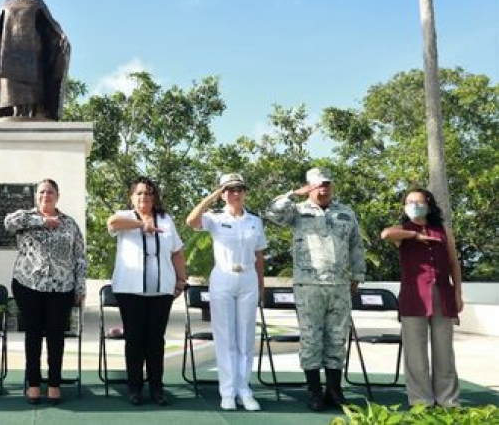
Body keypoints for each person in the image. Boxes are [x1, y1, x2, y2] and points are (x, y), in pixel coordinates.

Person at [264, 167, 365, 411]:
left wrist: (358, 275)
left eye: (327, 183)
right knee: (311, 337)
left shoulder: (345, 212)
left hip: (339, 284)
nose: (324, 188)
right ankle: (314, 391)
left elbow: (356, 245)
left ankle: (334, 389)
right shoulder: (297, 211)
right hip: (308, 284)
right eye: (318, 184)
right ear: (309, 186)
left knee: (337, 337)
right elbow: (270, 213)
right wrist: (292, 194)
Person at [185, 173, 266, 411]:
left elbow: (259, 254)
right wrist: (212, 195)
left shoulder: (254, 221)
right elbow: (191, 221)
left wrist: (260, 285)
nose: (236, 193)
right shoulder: (215, 218)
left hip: (248, 278)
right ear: (223, 194)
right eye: (230, 190)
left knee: (245, 336)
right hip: (223, 277)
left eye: (239, 188)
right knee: (226, 336)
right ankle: (228, 391)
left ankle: (244, 389)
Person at [107, 177, 188, 407]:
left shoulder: (166, 219)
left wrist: (181, 281)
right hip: (130, 290)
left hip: (162, 290)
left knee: (155, 340)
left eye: (149, 193)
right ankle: (134, 388)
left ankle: (157, 388)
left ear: (155, 197)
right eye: (140, 193)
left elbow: (177, 253)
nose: (145, 197)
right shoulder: (125, 216)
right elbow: (112, 224)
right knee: (134, 340)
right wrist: (142, 224)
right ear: (132, 197)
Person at [4, 179, 85, 405]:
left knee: (56, 335)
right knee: (33, 334)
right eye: (41, 192)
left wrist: (80, 287)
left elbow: (79, 256)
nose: (45, 195)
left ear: (57, 196)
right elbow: (8, 223)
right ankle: (33, 383)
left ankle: (54, 384)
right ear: (36, 196)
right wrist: (42, 220)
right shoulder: (25, 217)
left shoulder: (70, 223)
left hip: (62, 287)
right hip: (28, 285)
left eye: (50, 192)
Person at [380, 188, 463, 407]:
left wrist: (458, 293)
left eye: (417, 201)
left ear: (428, 204)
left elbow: (454, 263)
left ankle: (448, 400)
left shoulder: (443, 230)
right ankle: (421, 400)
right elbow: (386, 233)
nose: (413, 206)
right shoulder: (402, 230)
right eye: (408, 202)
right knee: (415, 352)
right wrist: (414, 235)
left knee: (444, 350)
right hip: (413, 295)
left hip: (442, 294)